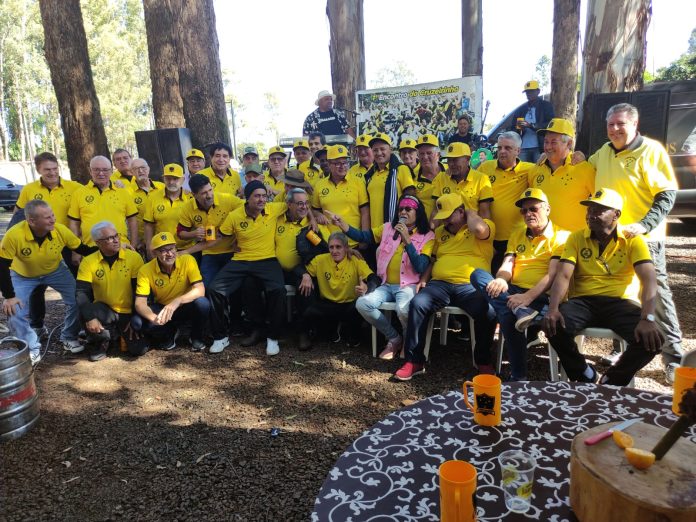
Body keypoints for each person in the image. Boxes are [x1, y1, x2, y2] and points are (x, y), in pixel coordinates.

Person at [588, 103, 683, 381]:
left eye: (621, 124)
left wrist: (644, 225)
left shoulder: (651, 150)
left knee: (657, 295)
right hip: (611, 239)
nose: (615, 129)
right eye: (611, 124)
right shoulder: (603, 152)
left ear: (635, 124)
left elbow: (666, 194)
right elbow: (586, 166)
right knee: (619, 293)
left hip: (644, 238)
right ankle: (623, 349)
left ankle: (674, 358)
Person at [542, 188, 664, 386]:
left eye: (599, 210)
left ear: (616, 214)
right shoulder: (576, 238)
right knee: (552, 325)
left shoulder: (633, 240)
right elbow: (563, 275)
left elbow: (649, 279)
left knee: (653, 340)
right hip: (583, 301)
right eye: (589, 209)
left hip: (621, 303)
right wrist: (553, 308)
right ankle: (583, 373)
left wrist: (647, 318)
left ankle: (612, 380)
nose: (591, 214)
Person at [393, 193, 497, 381]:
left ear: (461, 211)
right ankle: (414, 361)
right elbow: (433, 259)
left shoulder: (483, 225)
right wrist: (424, 278)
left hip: (470, 285)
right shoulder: (441, 232)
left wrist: (470, 212)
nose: (446, 221)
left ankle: (483, 361)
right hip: (440, 283)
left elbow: (480, 229)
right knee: (418, 303)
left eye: (449, 216)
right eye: (443, 217)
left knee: (487, 311)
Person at [470, 189, 569, 381]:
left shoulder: (562, 236)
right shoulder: (517, 234)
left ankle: (518, 377)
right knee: (478, 275)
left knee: (507, 315)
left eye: (533, 209)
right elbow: (508, 263)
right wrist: (501, 279)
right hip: (514, 291)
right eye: (524, 211)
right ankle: (519, 311)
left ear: (547, 209)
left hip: (542, 296)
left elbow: (553, 275)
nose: (528, 214)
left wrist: (527, 298)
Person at [332, 195, 435, 359]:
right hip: (386, 284)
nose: (403, 212)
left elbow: (421, 267)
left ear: (418, 212)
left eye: (408, 209)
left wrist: (407, 241)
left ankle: (408, 341)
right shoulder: (388, 228)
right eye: (401, 209)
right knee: (362, 304)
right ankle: (394, 339)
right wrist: (343, 225)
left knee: (403, 309)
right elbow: (364, 237)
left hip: (407, 285)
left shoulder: (427, 236)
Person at [0, 200, 97, 363]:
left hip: (55, 271)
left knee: (78, 299)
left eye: (52, 215)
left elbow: (84, 250)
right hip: (23, 275)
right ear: (32, 221)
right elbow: (2, 266)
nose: (53, 219)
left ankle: (68, 336)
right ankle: (31, 348)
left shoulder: (60, 230)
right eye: (47, 217)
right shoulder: (14, 235)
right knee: (14, 310)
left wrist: (111, 248)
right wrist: (9, 296)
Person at [207, 180, 288, 356]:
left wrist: (314, 218)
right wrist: (190, 248)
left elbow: (299, 203)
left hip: (267, 260)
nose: (261, 200)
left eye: (264, 196)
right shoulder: (234, 216)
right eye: (257, 196)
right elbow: (222, 236)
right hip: (241, 260)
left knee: (278, 291)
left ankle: (273, 337)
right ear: (247, 198)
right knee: (214, 289)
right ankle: (220, 337)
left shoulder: (274, 209)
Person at [15, 152, 82, 337]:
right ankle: (37, 325)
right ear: (39, 170)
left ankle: (79, 325)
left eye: (55, 168)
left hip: (66, 243)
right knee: (37, 288)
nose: (52, 173)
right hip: (38, 246)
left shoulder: (75, 187)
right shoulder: (29, 190)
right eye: (47, 170)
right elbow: (19, 215)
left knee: (75, 284)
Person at [76, 221, 145, 361]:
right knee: (85, 311)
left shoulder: (134, 257)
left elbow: (138, 291)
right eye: (109, 238)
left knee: (138, 350)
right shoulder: (88, 262)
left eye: (116, 236)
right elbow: (81, 292)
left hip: (128, 311)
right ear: (98, 243)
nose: (116, 240)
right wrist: (90, 318)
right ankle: (101, 342)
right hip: (105, 309)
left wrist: (135, 317)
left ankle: (117, 333)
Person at [297, 232, 378, 350]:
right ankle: (308, 333)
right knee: (308, 304)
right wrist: (305, 275)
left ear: (346, 248)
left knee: (358, 308)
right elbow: (298, 268)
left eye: (338, 247)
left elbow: (373, 278)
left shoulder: (355, 260)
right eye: (331, 247)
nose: (334, 251)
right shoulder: (320, 260)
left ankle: (352, 334)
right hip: (328, 304)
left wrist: (367, 288)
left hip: (349, 305)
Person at [132, 232, 210, 352]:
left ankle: (196, 336)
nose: (169, 254)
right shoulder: (145, 270)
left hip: (185, 306)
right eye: (163, 251)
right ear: (154, 253)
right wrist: (153, 318)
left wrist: (177, 301)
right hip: (164, 309)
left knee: (202, 303)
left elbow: (200, 290)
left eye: (171, 248)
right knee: (137, 322)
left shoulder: (187, 260)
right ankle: (169, 332)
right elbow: (140, 303)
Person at [477, 131, 533, 272]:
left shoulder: (530, 170)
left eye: (507, 148)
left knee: (510, 278)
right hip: (488, 237)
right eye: (500, 147)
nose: (502, 151)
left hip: (516, 238)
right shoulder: (485, 168)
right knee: (487, 277)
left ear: (518, 151)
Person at [527, 118, 595, 233]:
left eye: (554, 142)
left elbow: (600, 203)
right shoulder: (535, 169)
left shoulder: (585, 169)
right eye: (546, 142)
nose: (548, 147)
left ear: (569, 144)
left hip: (573, 240)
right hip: (542, 241)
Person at [177, 173, 243, 284]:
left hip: (232, 250)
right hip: (208, 252)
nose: (209, 195)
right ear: (194, 195)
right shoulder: (187, 208)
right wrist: (193, 234)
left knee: (234, 285)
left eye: (210, 190)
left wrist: (239, 238)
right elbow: (180, 233)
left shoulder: (227, 199)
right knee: (208, 284)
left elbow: (248, 210)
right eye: (203, 193)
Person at [68, 155, 139, 249]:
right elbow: (74, 223)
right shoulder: (79, 193)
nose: (101, 173)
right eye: (96, 170)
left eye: (105, 170)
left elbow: (132, 221)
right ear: (90, 171)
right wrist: (76, 250)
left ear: (111, 171)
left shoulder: (123, 192)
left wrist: (133, 245)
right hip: (90, 249)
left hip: (121, 247)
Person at [311, 145, 369, 247]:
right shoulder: (319, 185)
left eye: (345, 162)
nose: (342, 166)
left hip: (354, 242)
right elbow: (315, 209)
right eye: (337, 163)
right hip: (329, 244)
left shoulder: (358, 182)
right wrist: (319, 215)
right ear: (329, 164)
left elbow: (365, 212)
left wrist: (364, 239)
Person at [430, 142, 493, 224]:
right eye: (449, 160)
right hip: (446, 230)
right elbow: (436, 210)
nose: (451, 164)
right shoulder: (441, 178)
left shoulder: (481, 179)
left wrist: (484, 230)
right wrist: (431, 230)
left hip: (470, 230)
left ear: (467, 159)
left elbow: (484, 213)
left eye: (455, 160)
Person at [365, 133, 416, 228]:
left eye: (382, 149)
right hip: (375, 231)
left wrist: (403, 225)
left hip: (395, 229)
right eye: (375, 150)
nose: (379, 153)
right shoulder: (370, 174)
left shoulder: (401, 169)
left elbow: (410, 198)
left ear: (390, 149)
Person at [143, 163, 192, 258]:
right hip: (162, 249)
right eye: (168, 178)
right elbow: (148, 224)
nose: (171, 182)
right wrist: (149, 246)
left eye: (175, 179)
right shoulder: (153, 198)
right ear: (163, 179)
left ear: (183, 180)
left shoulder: (191, 198)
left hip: (186, 249)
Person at [511, 80, 555, 163]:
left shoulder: (546, 106)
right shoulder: (521, 109)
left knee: (539, 168)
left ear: (538, 91)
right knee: (521, 169)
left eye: (531, 91)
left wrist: (531, 125)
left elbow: (551, 124)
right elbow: (513, 128)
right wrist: (519, 128)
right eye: (527, 92)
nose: (529, 94)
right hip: (523, 147)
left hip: (540, 147)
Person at [130, 158, 164, 253]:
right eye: (136, 169)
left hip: (164, 239)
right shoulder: (127, 192)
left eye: (143, 167)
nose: (140, 171)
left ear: (148, 169)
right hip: (143, 243)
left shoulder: (162, 187)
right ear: (132, 172)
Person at [413, 134, 446, 218]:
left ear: (438, 154)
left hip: (449, 225)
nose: (425, 157)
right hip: (424, 225)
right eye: (421, 153)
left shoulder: (449, 171)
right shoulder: (412, 177)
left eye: (429, 153)